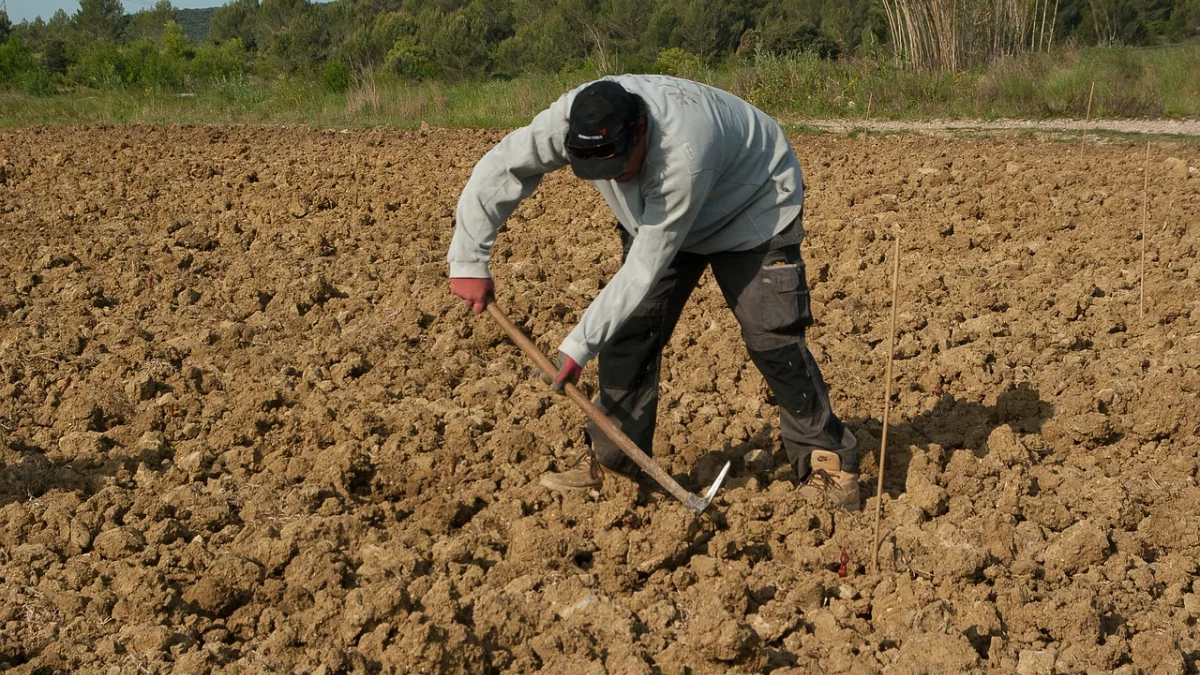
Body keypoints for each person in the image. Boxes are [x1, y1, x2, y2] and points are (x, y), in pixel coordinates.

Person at [448, 75, 861, 510]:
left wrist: (576, 348)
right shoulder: (570, 120)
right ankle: (615, 465)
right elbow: (502, 166)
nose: (615, 180)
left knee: (772, 337)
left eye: (620, 167)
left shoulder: (683, 155)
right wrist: (468, 259)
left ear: (640, 132)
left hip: (752, 205)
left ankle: (830, 463)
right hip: (656, 217)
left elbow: (645, 265)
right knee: (630, 332)